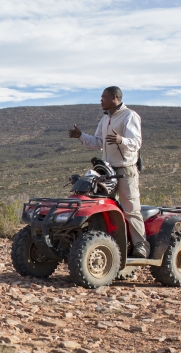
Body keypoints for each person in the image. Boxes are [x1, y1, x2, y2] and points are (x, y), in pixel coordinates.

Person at [69, 86, 148, 258]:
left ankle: (141, 246)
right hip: (107, 170)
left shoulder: (129, 116)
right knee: (103, 207)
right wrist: (81, 135)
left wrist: (121, 140)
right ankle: (111, 246)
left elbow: (136, 142)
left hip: (125, 168)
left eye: (103, 97)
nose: (101, 100)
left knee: (130, 207)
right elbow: (98, 142)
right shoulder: (105, 119)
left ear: (114, 98)